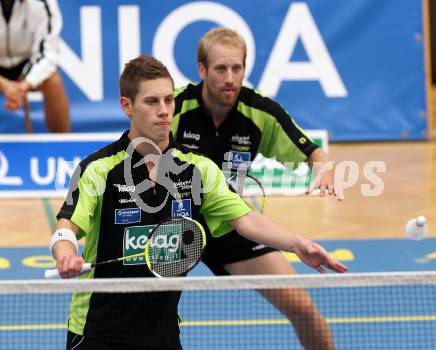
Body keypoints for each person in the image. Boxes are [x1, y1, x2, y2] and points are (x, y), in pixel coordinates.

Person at [51, 54, 347, 350]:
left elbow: (246, 219)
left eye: (169, 100)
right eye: (152, 102)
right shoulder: (99, 168)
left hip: (162, 333)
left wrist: (298, 245)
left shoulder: (197, 169)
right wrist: (65, 253)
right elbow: (66, 226)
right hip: (96, 332)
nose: (164, 111)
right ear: (127, 106)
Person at [172, 27, 342, 349]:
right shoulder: (175, 106)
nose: (230, 78)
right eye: (221, 69)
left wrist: (325, 171)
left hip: (234, 223)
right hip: (176, 225)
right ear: (202, 70)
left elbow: (313, 153)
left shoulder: (260, 113)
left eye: (237, 68)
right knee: (149, 312)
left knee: (303, 308)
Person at [0, 0, 70, 132]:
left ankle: (62, 146)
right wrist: (5, 85)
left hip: (26, 61)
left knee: (53, 81)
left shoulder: (44, 3)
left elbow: (49, 55)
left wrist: (24, 86)